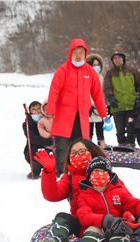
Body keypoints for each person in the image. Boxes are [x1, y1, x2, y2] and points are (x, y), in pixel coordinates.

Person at [33, 139, 108, 242]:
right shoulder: (69, 178)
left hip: (104, 222)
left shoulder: (105, 175)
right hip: (81, 221)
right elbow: (52, 195)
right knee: (62, 217)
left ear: (92, 153)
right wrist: (49, 171)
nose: (78, 156)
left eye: (82, 151)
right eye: (73, 153)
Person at [46, 39, 107, 178]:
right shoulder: (63, 69)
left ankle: (79, 176)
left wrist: (103, 113)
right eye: (75, 52)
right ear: (70, 53)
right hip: (63, 117)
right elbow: (54, 90)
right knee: (62, 149)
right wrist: (51, 110)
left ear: (85, 54)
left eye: (81, 52)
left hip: (82, 118)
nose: (78, 55)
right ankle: (61, 177)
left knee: (80, 149)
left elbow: (97, 94)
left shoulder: (90, 71)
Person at [103, 47, 140, 148]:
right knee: (120, 130)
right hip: (117, 106)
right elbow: (107, 87)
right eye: (114, 58)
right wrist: (110, 97)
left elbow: (139, 84)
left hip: (131, 106)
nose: (117, 60)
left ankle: (131, 146)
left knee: (131, 129)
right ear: (112, 60)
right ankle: (122, 147)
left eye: (119, 57)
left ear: (123, 58)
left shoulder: (132, 70)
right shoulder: (110, 73)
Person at [23, 101, 53, 179]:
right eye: (34, 110)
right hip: (38, 147)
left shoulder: (49, 118)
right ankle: (35, 170)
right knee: (34, 148)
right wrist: (50, 141)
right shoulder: (27, 123)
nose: (37, 112)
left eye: (39, 109)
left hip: (52, 147)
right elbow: (33, 138)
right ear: (30, 112)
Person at [86, 53, 106, 145]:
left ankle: (101, 149)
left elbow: (103, 93)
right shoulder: (85, 78)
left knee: (100, 133)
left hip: (99, 110)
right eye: (94, 65)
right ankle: (89, 150)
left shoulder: (101, 78)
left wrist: (106, 106)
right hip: (88, 110)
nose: (96, 67)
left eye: (98, 65)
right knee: (89, 133)